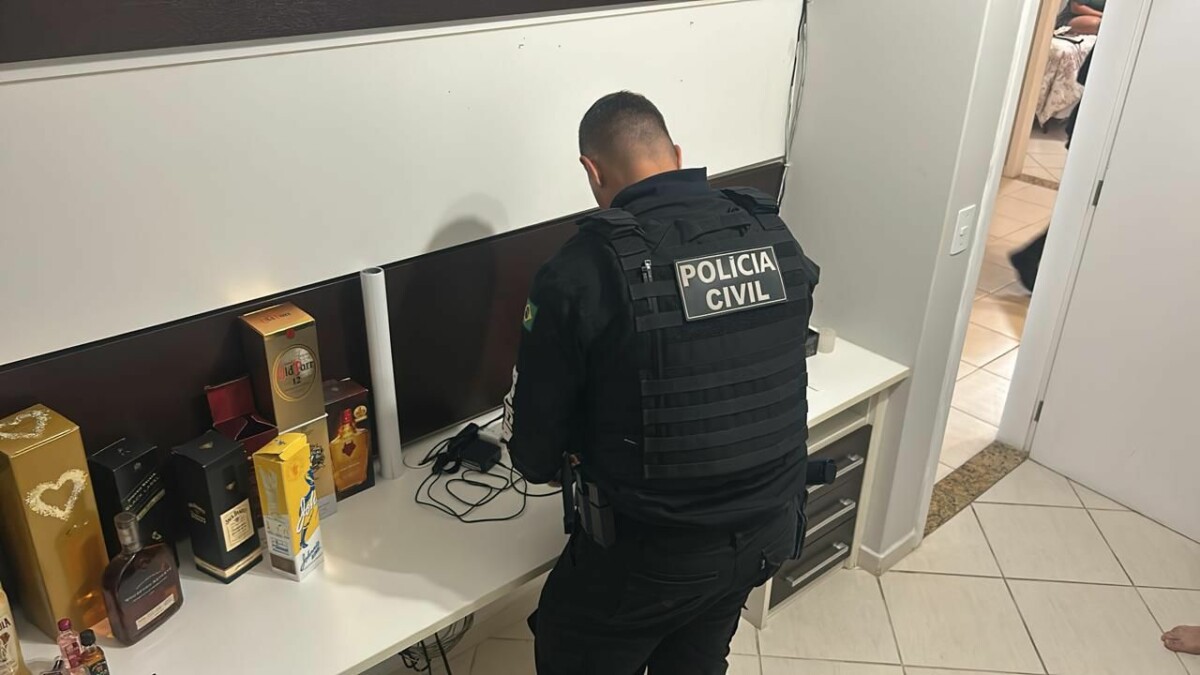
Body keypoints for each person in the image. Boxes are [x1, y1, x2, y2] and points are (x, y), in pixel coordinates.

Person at [502, 91, 819, 674]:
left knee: (571, 636)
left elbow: (534, 452)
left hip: (655, 558)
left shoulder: (583, 269)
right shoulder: (771, 232)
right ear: (675, 153)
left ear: (592, 170)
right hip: (769, 528)